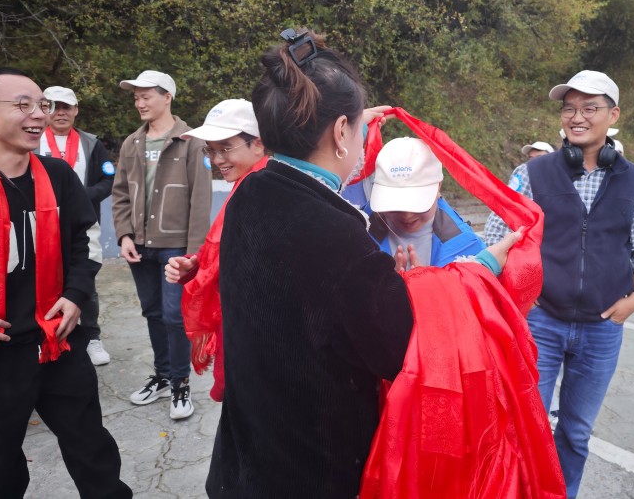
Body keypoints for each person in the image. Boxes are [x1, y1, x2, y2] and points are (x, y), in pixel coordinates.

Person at [207, 29, 520, 498]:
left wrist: (346, 118)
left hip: (246, 457)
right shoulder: (337, 236)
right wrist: (478, 271)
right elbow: (400, 349)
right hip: (309, 471)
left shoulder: (250, 195)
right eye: (355, 128)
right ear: (339, 132)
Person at [483, 70, 634, 499]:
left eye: (589, 108)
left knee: (576, 434)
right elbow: (494, 237)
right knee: (525, 427)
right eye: (569, 108)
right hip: (541, 321)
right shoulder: (531, 174)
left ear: (612, 114)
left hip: (602, 328)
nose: (576, 117)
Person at [0, 67, 131, 498]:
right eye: (22, 104)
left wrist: (76, 296)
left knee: (93, 454)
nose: (37, 114)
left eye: (41, 104)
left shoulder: (57, 175)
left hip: (57, 341)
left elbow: (83, 242)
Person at [111, 70, 211, 420]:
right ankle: (164, 376)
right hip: (139, 245)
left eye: (146, 95)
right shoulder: (131, 143)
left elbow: (201, 200)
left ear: (167, 96)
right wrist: (124, 235)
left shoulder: (192, 142)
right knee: (153, 313)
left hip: (176, 246)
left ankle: (181, 383)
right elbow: (120, 193)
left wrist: (194, 254)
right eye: (136, 97)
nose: (139, 102)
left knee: (173, 316)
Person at [164, 98, 268, 402]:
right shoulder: (248, 184)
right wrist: (195, 269)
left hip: (254, 336)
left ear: (258, 145)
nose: (217, 159)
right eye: (211, 150)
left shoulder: (260, 190)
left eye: (226, 148)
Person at [38, 85, 115, 365]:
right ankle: (48, 334)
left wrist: (82, 197)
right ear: (44, 109)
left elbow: (109, 180)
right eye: (54, 106)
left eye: (66, 107)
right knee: (41, 280)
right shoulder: (32, 141)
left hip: (81, 225)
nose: (60, 112)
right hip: (40, 225)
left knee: (86, 282)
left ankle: (92, 336)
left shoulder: (91, 144)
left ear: (76, 111)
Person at [366, 136, 485, 270]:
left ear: (438, 187)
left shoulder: (467, 246)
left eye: (416, 204)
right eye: (395, 205)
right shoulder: (356, 231)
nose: (407, 215)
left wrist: (428, 285)